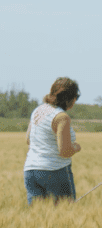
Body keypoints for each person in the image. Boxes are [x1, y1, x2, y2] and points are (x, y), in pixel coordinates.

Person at [24, 77, 81, 205]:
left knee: (37, 218)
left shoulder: (38, 110)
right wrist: (76, 147)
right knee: (64, 215)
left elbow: (28, 139)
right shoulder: (61, 117)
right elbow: (64, 151)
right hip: (55, 171)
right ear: (71, 98)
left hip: (30, 171)